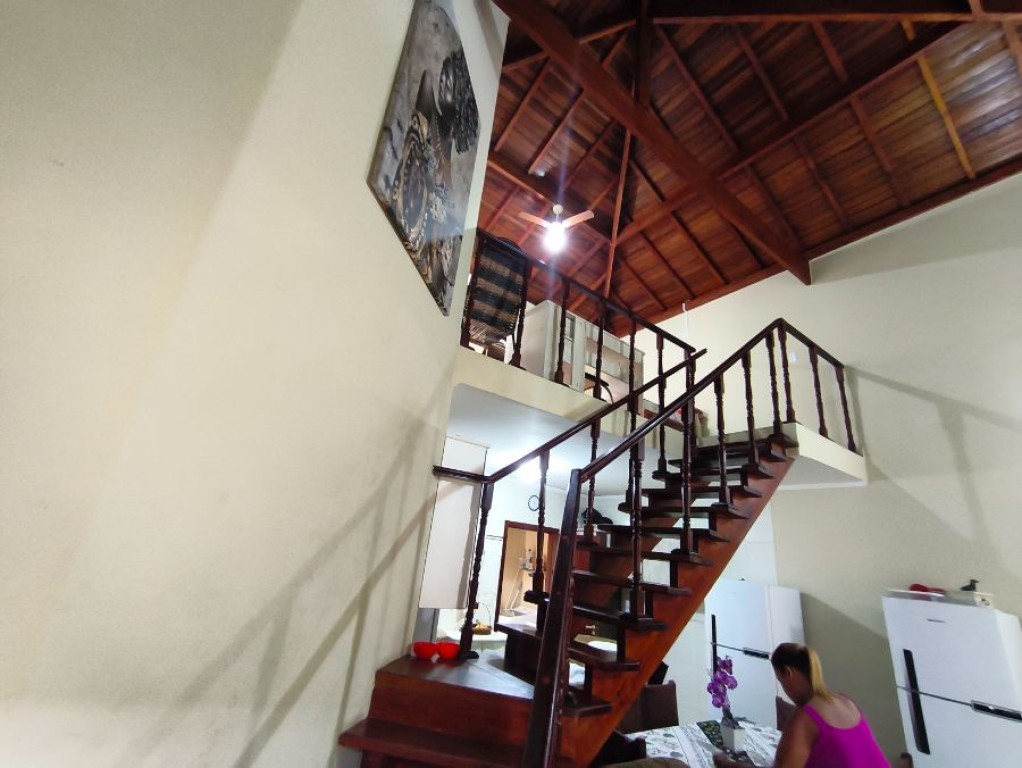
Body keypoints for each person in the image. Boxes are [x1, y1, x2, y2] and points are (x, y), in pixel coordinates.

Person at [713, 643, 889, 768]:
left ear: (788, 673)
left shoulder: (806, 718)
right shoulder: (846, 701)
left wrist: (730, 765)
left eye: (780, 680)